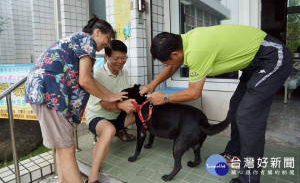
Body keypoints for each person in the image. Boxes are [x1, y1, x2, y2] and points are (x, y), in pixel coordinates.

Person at [140, 24, 293, 183]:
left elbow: (193, 93)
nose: (167, 66)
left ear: (174, 53)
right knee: (235, 107)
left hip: (272, 57)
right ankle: (234, 153)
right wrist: (152, 84)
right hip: (253, 64)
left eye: (166, 62)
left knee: (248, 118)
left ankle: (249, 179)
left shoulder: (196, 51)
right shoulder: (184, 42)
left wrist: (164, 98)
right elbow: (173, 65)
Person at [25, 15, 127, 183]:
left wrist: (111, 95)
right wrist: (110, 96)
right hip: (51, 93)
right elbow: (85, 81)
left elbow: (89, 80)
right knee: (67, 149)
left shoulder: (76, 40)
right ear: (97, 33)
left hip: (44, 92)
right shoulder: (87, 41)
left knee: (62, 148)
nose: (104, 46)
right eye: (106, 39)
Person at [85, 40, 136, 183]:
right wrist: (121, 106)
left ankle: (120, 130)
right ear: (106, 56)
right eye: (116, 58)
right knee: (108, 130)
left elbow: (123, 95)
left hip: (116, 115)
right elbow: (104, 103)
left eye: (123, 57)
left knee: (140, 113)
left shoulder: (124, 72)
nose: (121, 61)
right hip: (98, 117)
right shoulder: (99, 75)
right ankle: (93, 175)